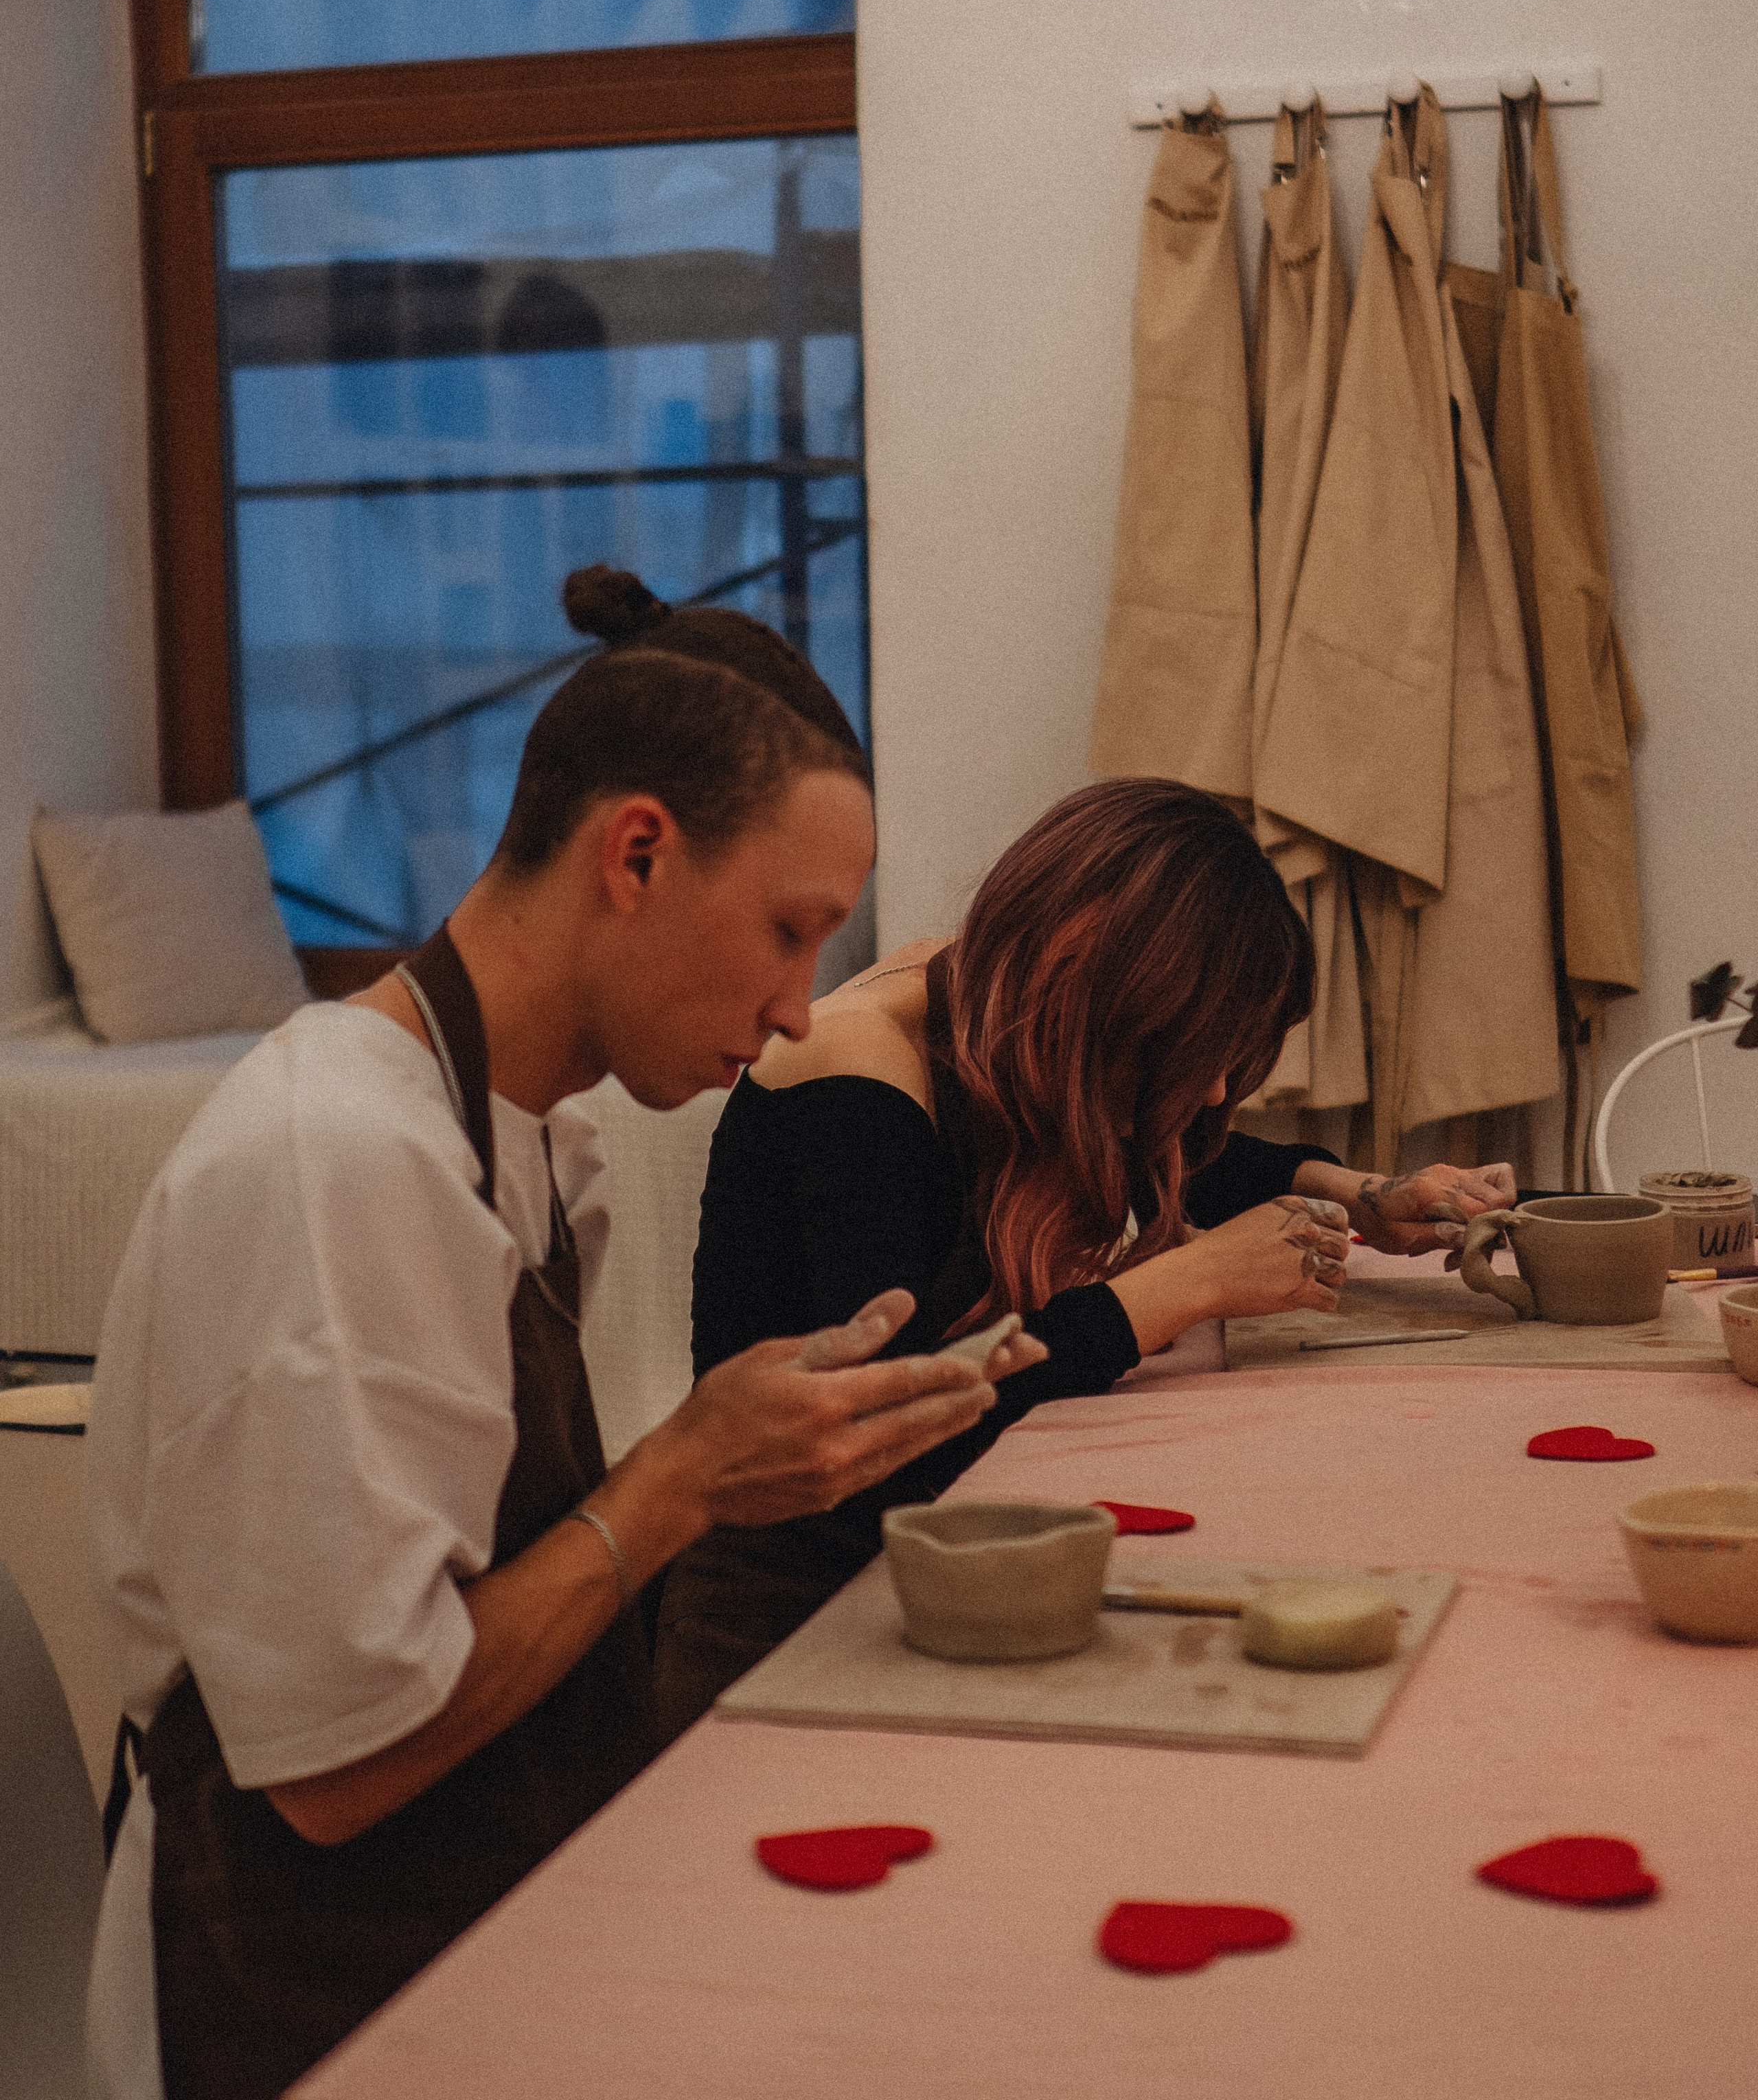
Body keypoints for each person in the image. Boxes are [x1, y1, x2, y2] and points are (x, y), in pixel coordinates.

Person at [84, 566, 1043, 2100]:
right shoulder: (338, 1157)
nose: (802, 1009)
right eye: (789, 934)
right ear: (638, 854)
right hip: (294, 1982)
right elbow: (337, 1772)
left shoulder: (530, 1139)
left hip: (473, 1895)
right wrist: (682, 1480)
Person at [654, 776, 1517, 1734]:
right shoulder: (860, 1081)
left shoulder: (991, 993)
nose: (1221, 1085)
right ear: (1097, 992)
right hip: (790, 1611)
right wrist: (1182, 1285)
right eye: (1194, 1051)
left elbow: (1176, 1141)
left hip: (937, 1567)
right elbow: (901, 1421)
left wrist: (1366, 1195)